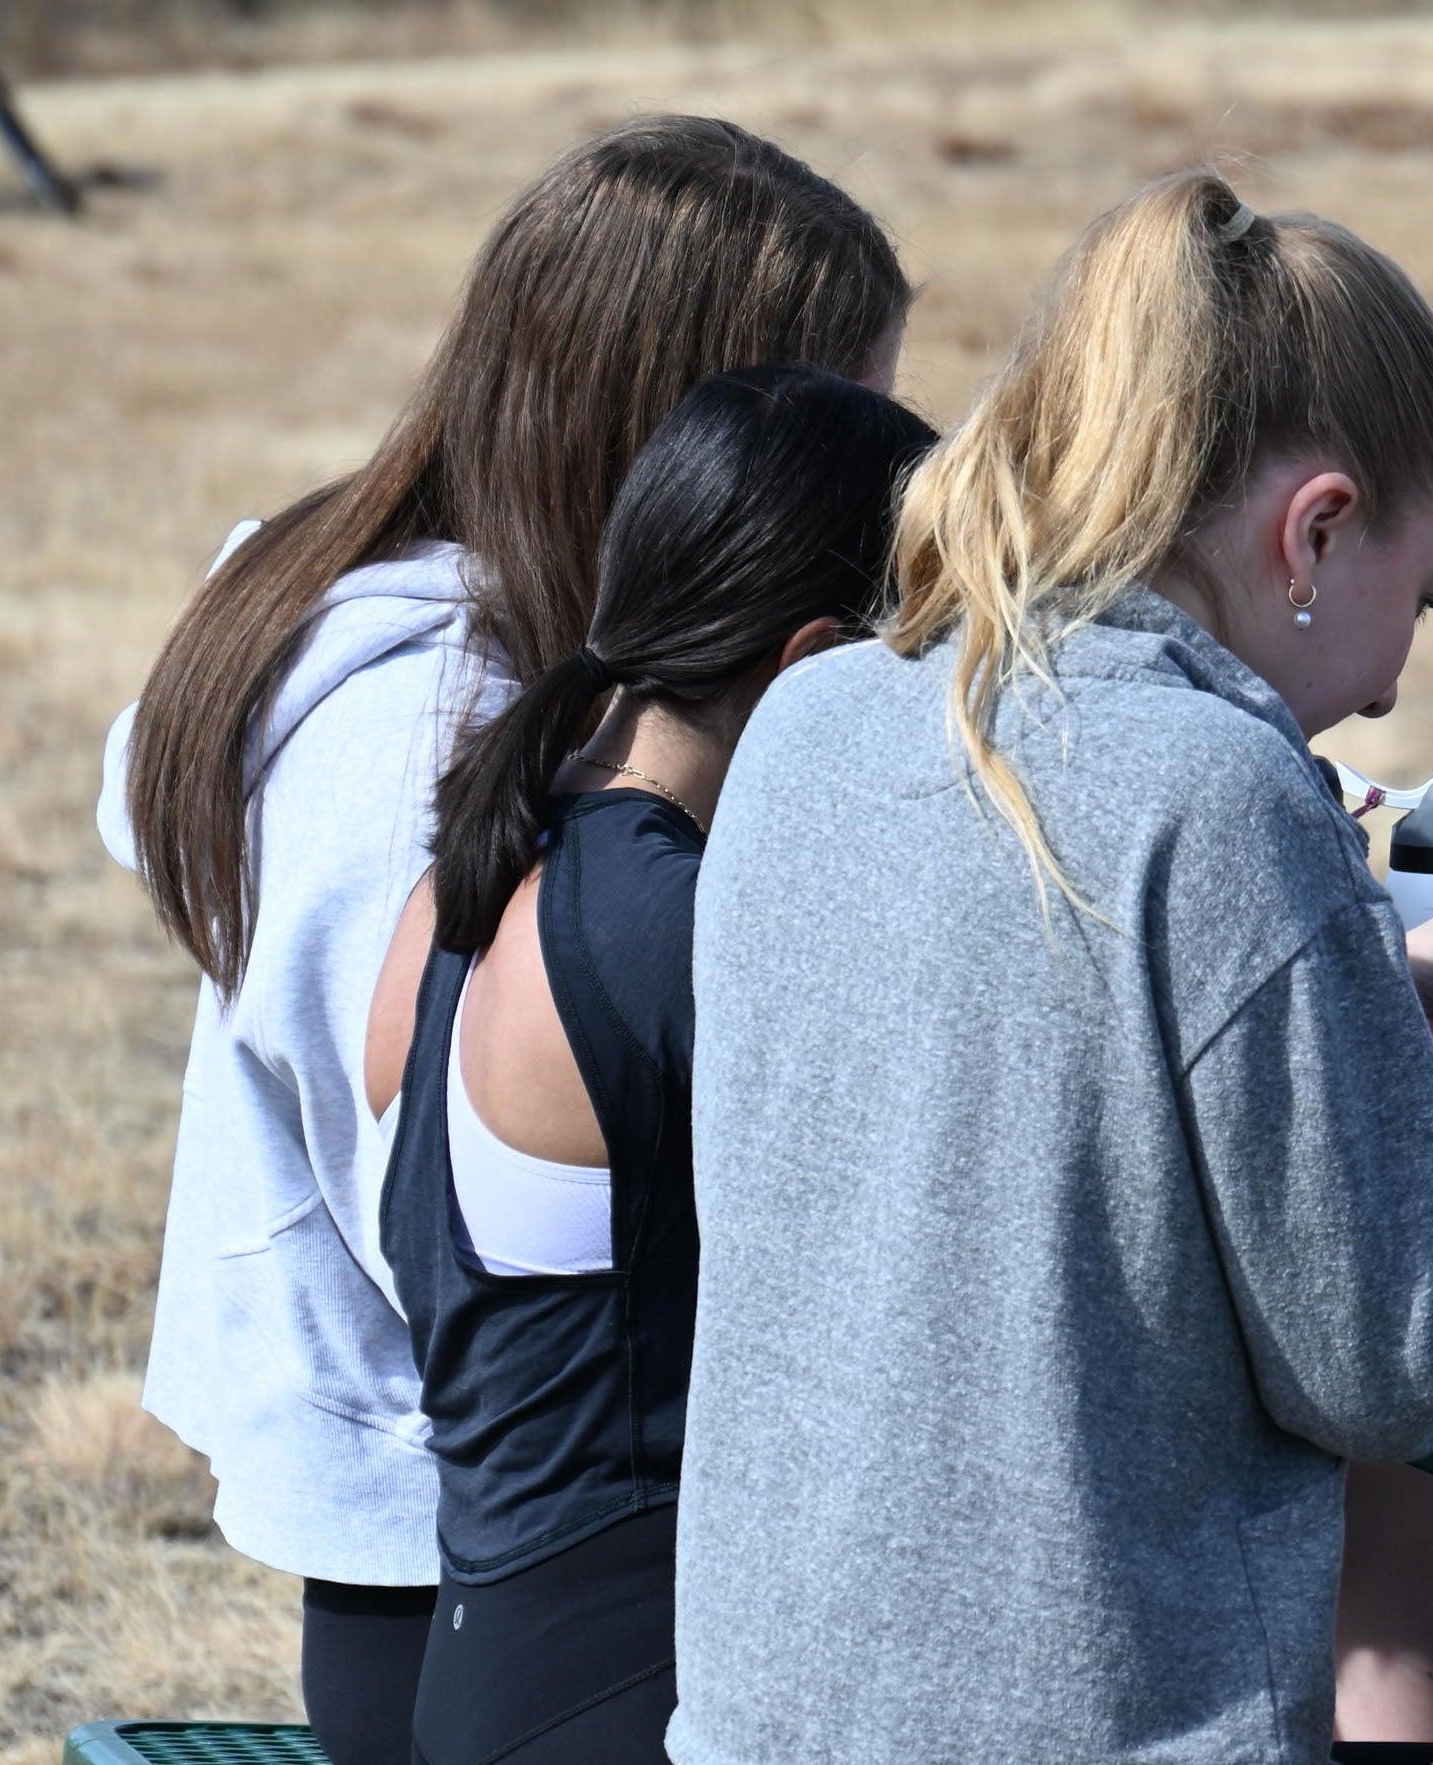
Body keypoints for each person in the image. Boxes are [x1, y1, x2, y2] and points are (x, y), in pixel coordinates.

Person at [669, 170, 1433, 1763]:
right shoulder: (1216, 792)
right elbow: (1394, 1363)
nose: (1397, 676)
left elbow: (1016, 1104)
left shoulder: (818, 720)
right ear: (1317, 529)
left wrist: (1366, 995)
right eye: (1424, 594)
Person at [93, 117, 906, 1765]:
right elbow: (443, 1207)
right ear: (688, 435)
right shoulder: (422, 729)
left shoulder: (372, 625)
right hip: (472, 1555)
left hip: (475, 1542)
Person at [353, 366, 933, 1764]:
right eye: (928, 661)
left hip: (495, 1663)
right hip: (642, 1692)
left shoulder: (474, 874)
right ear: (807, 669)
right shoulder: (684, 927)